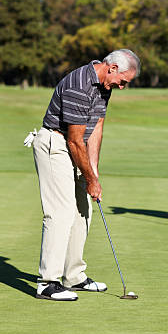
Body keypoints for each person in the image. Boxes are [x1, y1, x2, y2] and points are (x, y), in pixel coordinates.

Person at [30, 49, 141, 301]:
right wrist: (90, 178)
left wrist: (94, 170)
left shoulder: (104, 86)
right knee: (60, 212)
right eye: (123, 81)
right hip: (55, 146)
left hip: (75, 147)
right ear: (112, 68)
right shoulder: (79, 85)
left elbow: (97, 125)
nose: (122, 87)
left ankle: (74, 276)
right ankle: (47, 282)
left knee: (83, 210)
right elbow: (74, 140)